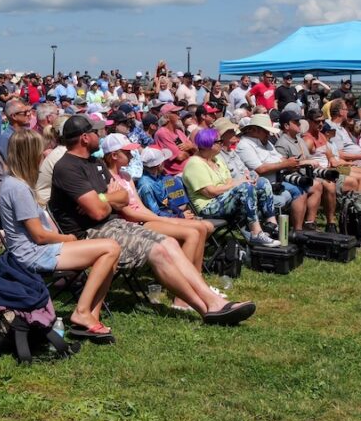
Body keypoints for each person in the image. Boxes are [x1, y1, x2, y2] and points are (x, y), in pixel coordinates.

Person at [49, 115, 256, 325]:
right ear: (85, 138)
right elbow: (98, 213)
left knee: (169, 242)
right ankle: (206, 307)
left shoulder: (96, 163)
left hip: (113, 225)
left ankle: (214, 302)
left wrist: (104, 198)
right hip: (89, 235)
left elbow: (122, 198)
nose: (100, 136)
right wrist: (108, 199)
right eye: (96, 132)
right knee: (159, 251)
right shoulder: (67, 168)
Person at [0, 129, 120, 342]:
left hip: (35, 249)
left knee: (111, 252)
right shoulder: (18, 188)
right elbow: (39, 236)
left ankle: (90, 314)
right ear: (30, 154)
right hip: (31, 254)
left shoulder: (15, 183)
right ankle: (82, 312)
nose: (44, 155)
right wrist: (69, 239)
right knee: (110, 248)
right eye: (41, 151)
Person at [101, 134, 214, 296]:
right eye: (127, 152)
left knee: (202, 228)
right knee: (192, 233)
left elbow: (140, 206)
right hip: (134, 224)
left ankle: (198, 282)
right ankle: (183, 293)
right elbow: (129, 213)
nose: (132, 155)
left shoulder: (128, 176)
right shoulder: (113, 180)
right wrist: (165, 219)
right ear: (114, 156)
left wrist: (171, 217)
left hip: (147, 218)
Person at [184, 127, 280, 246]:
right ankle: (256, 233)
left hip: (223, 198)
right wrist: (238, 183)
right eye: (219, 142)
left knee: (262, 182)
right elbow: (210, 192)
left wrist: (245, 180)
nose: (222, 144)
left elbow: (229, 181)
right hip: (208, 206)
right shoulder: (195, 164)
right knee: (245, 188)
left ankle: (272, 225)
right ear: (208, 144)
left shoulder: (216, 159)